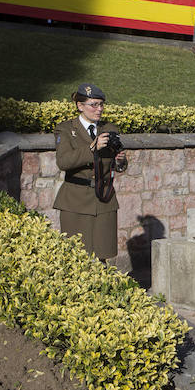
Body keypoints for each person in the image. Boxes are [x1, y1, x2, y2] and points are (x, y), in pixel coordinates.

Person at [53, 83, 128, 261]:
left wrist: (120, 161)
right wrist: (91, 148)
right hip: (75, 201)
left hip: (104, 198)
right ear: (80, 106)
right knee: (76, 257)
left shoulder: (110, 129)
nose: (99, 109)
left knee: (103, 255)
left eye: (101, 104)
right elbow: (63, 162)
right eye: (94, 105)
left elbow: (117, 165)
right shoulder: (65, 129)